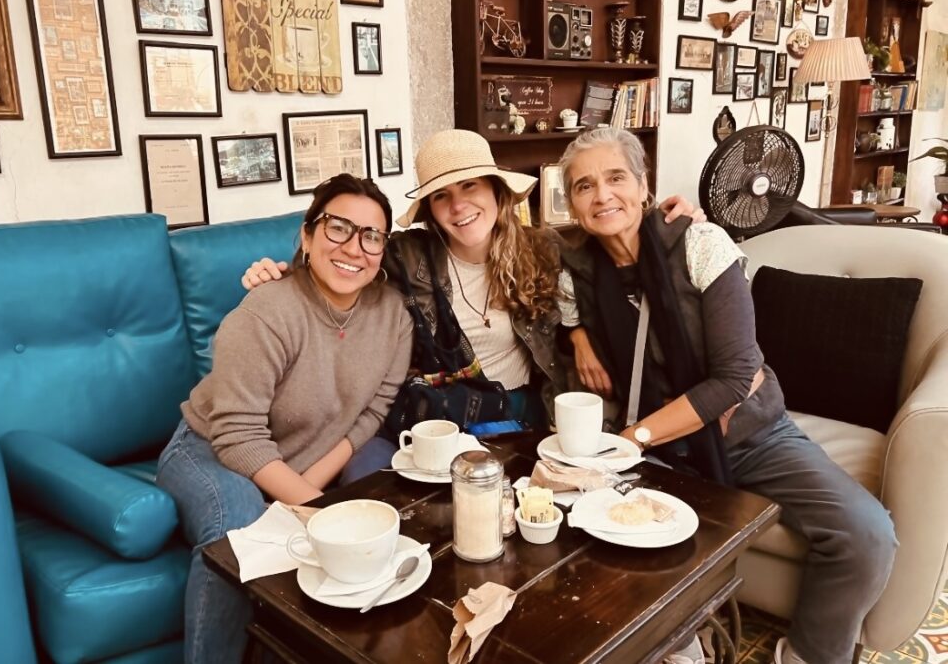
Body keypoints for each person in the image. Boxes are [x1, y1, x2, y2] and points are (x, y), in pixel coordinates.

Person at [557, 127, 897, 664]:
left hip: (748, 433)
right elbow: (563, 318)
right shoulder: (575, 271)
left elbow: (738, 375)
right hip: (667, 456)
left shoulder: (699, 242)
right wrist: (577, 339)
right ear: (572, 205)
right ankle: (685, 639)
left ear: (645, 186)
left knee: (868, 533)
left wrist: (633, 437)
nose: (602, 196)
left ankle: (807, 653)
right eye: (583, 186)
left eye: (615, 177)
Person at [241, 129, 702, 444]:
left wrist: (669, 220)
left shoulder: (544, 248)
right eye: (442, 195)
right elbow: (344, 258)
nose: (458, 206)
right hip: (447, 419)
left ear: (497, 192)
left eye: (470, 187)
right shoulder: (408, 257)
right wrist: (285, 273)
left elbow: (612, 231)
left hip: (529, 415)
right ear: (430, 210)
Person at [157, 174, 413, 664]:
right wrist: (317, 506)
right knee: (239, 530)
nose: (353, 248)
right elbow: (236, 435)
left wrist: (304, 493)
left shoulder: (394, 317)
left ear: (383, 250)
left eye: (371, 236)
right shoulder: (266, 311)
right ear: (307, 235)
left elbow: (374, 412)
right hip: (210, 448)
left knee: (379, 501)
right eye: (338, 228)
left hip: (304, 456)